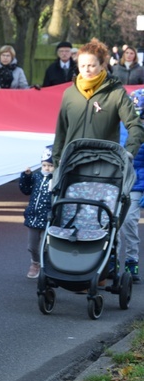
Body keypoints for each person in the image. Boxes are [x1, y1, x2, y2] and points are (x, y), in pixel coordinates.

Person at [52, 38, 144, 168]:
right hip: (71, 167)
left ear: (102, 65)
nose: (86, 70)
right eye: (82, 66)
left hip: (105, 168)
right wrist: (56, 166)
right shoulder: (69, 93)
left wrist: (128, 153)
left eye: (92, 65)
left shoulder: (116, 92)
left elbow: (135, 126)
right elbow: (61, 132)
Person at [119, 88, 144, 283]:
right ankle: (111, 258)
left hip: (137, 183)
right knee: (111, 221)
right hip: (116, 181)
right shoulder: (118, 127)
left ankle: (131, 259)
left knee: (128, 221)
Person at [19, 146, 54, 279]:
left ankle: (47, 266)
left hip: (48, 218)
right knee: (32, 246)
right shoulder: (37, 176)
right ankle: (35, 263)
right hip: (34, 217)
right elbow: (26, 190)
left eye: (50, 165)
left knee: (46, 247)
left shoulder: (56, 179)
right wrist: (26, 177)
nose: (47, 168)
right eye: (44, 165)